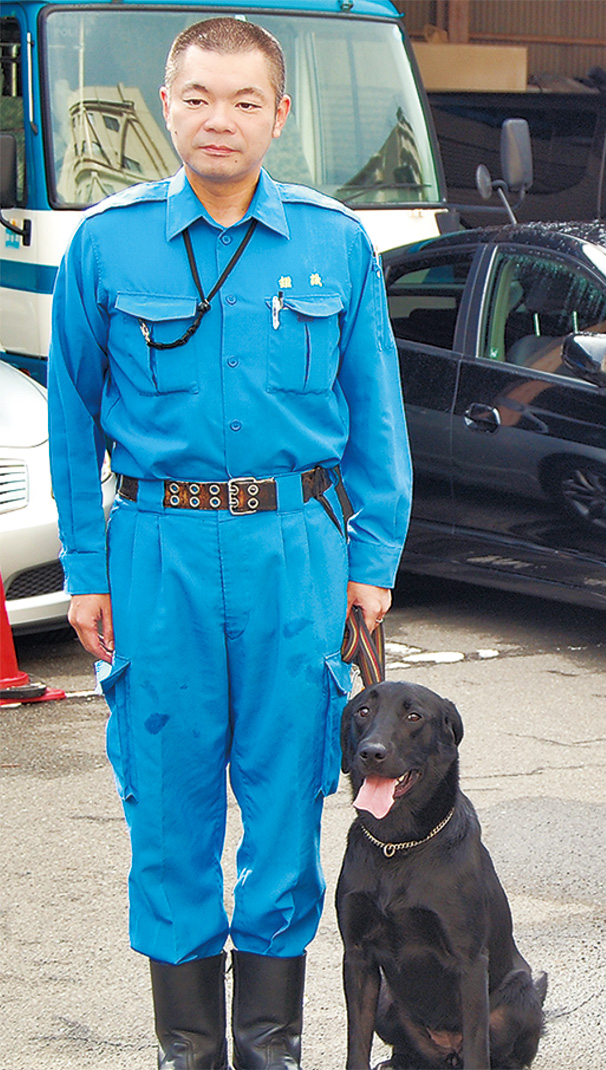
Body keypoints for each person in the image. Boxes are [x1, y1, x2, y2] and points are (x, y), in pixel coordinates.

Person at [47, 18, 411, 1069]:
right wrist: (85, 567)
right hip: (155, 546)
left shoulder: (335, 244)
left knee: (287, 792)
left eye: (245, 101)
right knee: (168, 800)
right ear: (167, 104)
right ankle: (189, 1050)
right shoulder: (105, 244)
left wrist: (371, 560)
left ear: (279, 115)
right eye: (200, 97)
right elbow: (74, 418)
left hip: (295, 548)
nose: (221, 119)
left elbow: (376, 413)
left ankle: (269, 1044)